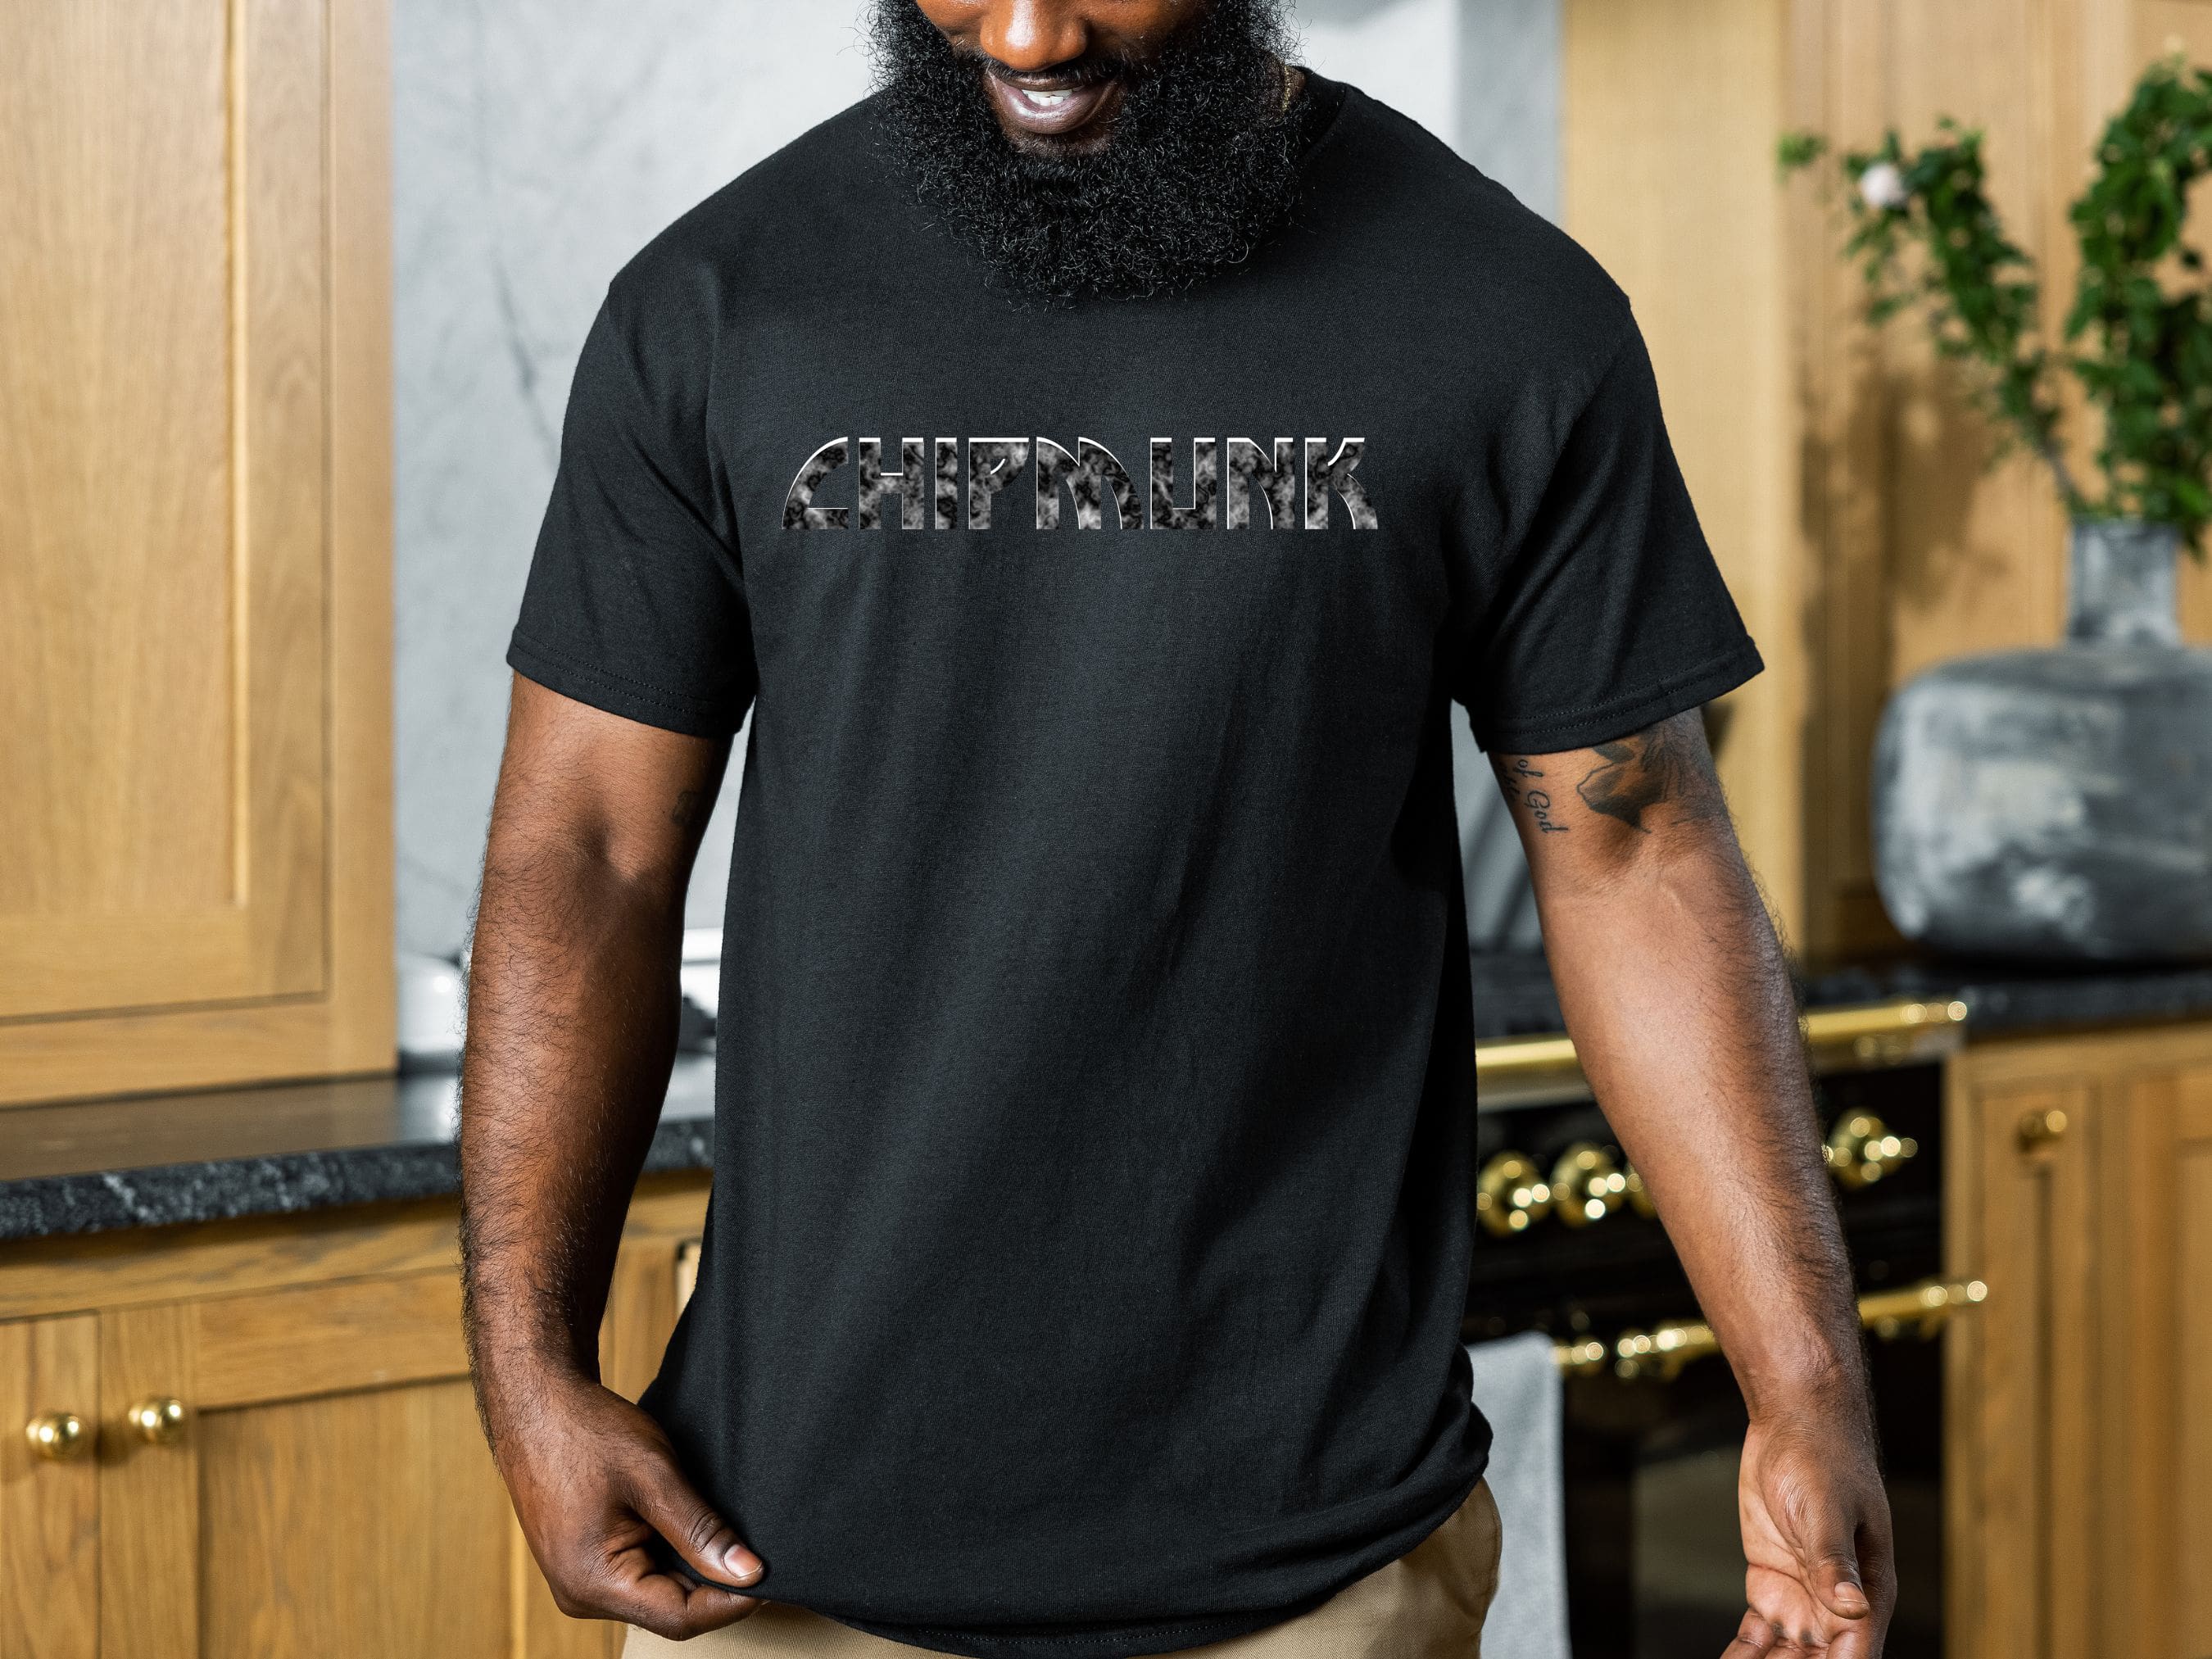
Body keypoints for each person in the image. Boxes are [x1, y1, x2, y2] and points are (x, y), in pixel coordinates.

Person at [458, 1, 1896, 1655]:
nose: (1023, 29)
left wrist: (1801, 1380)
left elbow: (1632, 849)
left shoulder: (1504, 318)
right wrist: (527, 1366)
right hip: (777, 1567)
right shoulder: (715, 309)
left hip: (1316, 1575)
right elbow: (587, 854)